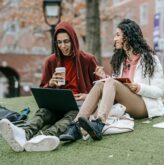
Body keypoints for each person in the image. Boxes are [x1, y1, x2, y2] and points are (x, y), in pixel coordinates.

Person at [59, 19, 164, 141]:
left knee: (109, 82)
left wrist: (138, 87)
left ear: (128, 37)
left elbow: (159, 91)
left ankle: (99, 124)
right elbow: (114, 85)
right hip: (127, 102)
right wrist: (104, 78)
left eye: (118, 35)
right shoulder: (121, 60)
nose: (115, 39)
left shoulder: (150, 59)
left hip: (144, 105)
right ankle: (76, 126)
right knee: (100, 83)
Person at [0, 21, 98, 152]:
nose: (63, 46)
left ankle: (43, 138)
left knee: (71, 116)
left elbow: (101, 86)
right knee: (43, 112)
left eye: (66, 41)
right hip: (56, 104)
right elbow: (43, 91)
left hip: (78, 105)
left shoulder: (88, 59)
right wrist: (50, 84)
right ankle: (23, 134)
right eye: (59, 42)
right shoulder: (50, 61)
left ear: (73, 40)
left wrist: (88, 95)